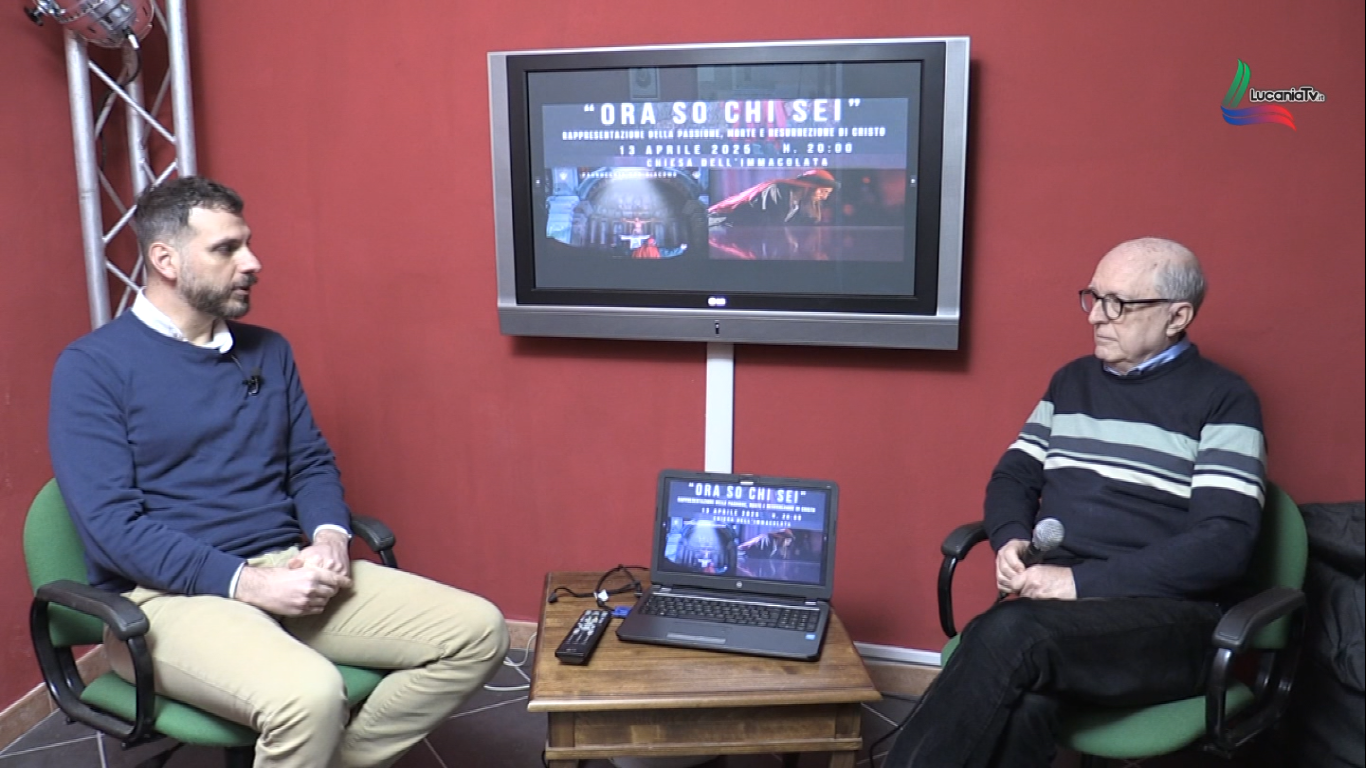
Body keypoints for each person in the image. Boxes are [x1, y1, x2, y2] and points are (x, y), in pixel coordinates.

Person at [47, 176, 510, 768]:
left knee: (479, 632)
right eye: (226, 248)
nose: (252, 262)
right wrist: (249, 584)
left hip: (287, 566)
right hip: (161, 601)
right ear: (165, 260)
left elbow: (309, 462)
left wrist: (329, 538)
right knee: (309, 696)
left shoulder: (268, 350)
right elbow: (113, 528)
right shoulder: (92, 367)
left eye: (247, 243)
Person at [884, 237, 1267, 768]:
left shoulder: (1225, 400)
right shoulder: (1072, 383)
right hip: (1062, 620)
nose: (1096, 317)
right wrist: (1011, 538)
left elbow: (1224, 545)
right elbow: (1014, 474)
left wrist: (1078, 583)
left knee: (1011, 633)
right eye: (1094, 297)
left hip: (1172, 622)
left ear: (1177, 316)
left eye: (1119, 303)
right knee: (1025, 703)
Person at [706, 168, 839, 228]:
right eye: (823, 191)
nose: (824, 196)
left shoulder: (803, 203)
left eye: (828, 193)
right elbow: (775, 227)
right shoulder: (780, 189)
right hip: (724, 227)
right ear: (809, 187)